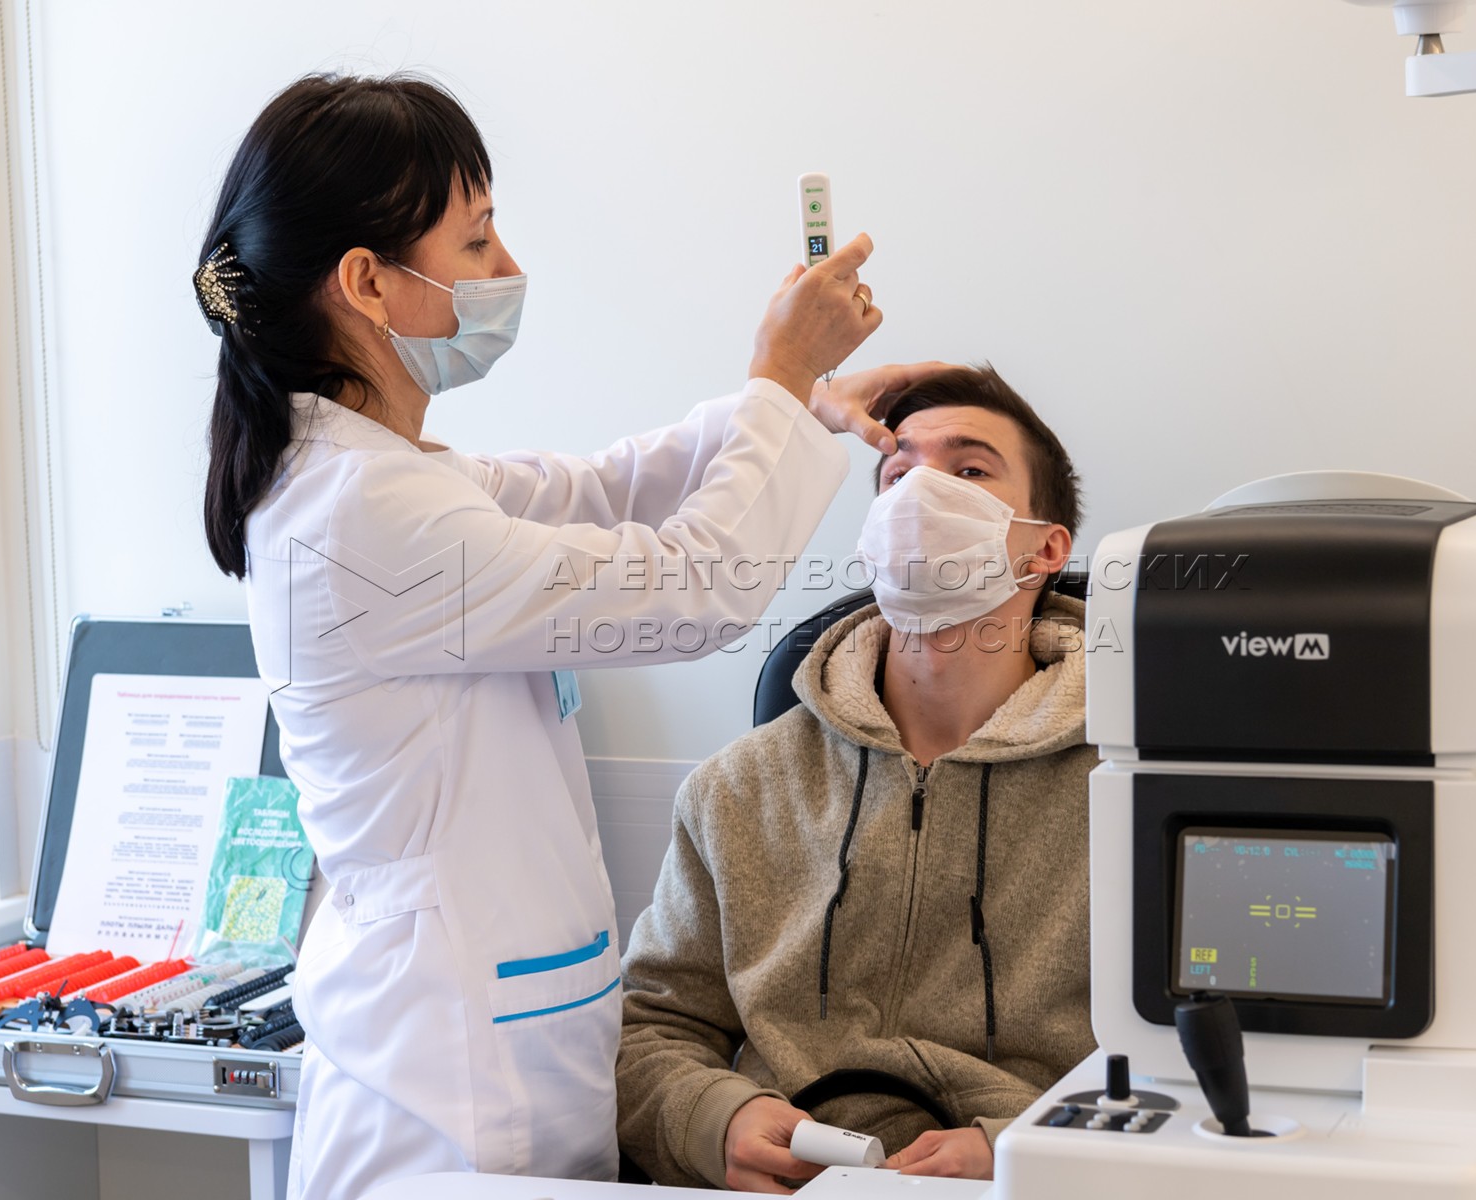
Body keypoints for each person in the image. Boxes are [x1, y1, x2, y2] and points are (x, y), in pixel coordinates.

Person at [198, 73, 943, 1200]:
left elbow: (599, 489)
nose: (507, 269)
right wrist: (781, 377)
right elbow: (692, 588)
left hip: (503, 1035)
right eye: (476, 241)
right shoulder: (359, 511)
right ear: (365, 282)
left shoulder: (389, 478)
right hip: (444, 1089)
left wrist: (794, 406)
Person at [616, 365, 1096, 1191]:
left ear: (1047, 548)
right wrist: (714, 1120)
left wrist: (1031, 1152)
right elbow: (649, 1028)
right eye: (898, 474)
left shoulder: (1135, 789)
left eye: (969, 469)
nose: (921, 495)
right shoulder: (738, 788)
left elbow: (1210, 1059)